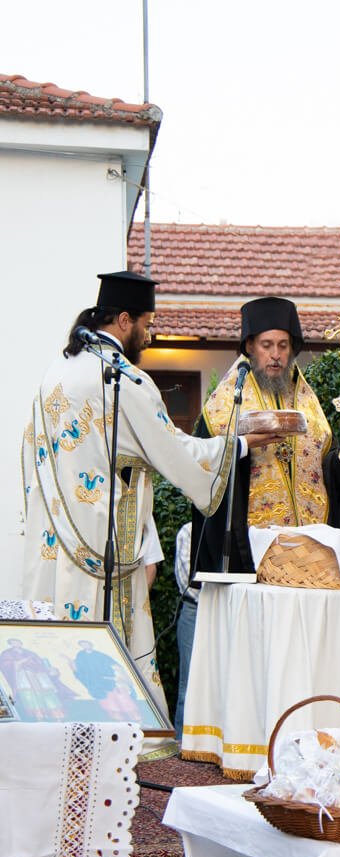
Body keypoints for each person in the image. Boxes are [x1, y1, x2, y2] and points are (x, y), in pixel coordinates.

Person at [21, 270, 274, 715]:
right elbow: (172, 451)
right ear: (123, 320)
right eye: (147, 323)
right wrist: (237, 445)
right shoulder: (122, 379)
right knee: (108, 659)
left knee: (57, 655)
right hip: (104, 544)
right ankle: (123, 732)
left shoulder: (55, 372)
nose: (149, 334)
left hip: (55, 538)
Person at [191, 296, 340, 575]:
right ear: (250, 347)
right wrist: (244, 445)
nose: (276, 354)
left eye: (283, 346)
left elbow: (326, 473)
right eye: (267, 345)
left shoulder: (309, 404)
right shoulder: (224, 407)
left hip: (311, 549)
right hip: (249, 549)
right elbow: (206, 470)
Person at [173, 520, 199, 739]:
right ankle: (183, 744)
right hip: (195, 611)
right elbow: (187, 583)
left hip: (227, 613)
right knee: (189, 687)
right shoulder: (189, 531)